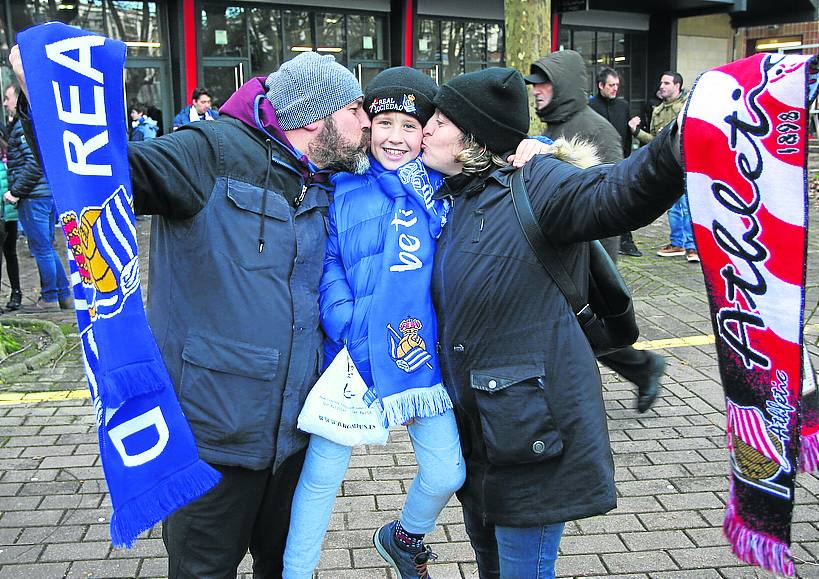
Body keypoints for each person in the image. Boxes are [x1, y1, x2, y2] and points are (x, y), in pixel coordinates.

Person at [11, 47, 370, 578]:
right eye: (355, 110)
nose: (366, 122)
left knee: (284, 568)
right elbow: (98, 171)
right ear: (315, 117)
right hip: (213, 438)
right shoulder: (210, 152)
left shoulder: (325, 175)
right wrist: (44, 97)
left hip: (295, 436)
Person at [420, 67, 684, 578]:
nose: (427, 129)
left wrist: (688, 133)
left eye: (441, 119)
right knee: (490, 565)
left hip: (531, 434)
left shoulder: (538, 182)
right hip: (480, 435)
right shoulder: (457, 194)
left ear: (476, 134)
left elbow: (621, 191)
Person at [283, 67, 465, 579]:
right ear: (367, 124)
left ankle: (403, 535)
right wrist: (348, 323)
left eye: (411, 126)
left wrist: (537, 149)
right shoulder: (340, 182)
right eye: (385, 122)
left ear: (427, 132)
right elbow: (326, 261)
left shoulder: (446, 189)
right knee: (321, 480)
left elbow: (502, 154)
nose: (396, 137)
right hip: (351, 353)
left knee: (448, 471)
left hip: (416, 357)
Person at [524, 51, 665, 414]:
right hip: (557, 249)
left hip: (585, 253)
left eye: (544, 84)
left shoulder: (595, 129)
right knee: (582, 330)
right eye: (535, 84)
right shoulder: (552, 128)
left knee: (580, 329)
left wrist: (599, 264)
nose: (537, 91)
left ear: (564, 86)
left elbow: (614, 199)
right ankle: (643, 368)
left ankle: (638, 371)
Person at [2, 84, 71, 311]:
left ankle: (50, 298)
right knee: (47, 247)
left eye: (8, 98)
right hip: (45, 194)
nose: (5, 103)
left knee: (42, 249)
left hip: (34, 197)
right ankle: (64, 296)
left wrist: (15, 191)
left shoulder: (23, 127)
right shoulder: (39, 122)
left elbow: (33, 165)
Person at [628, 71, 698, 262]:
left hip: (686, 164)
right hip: (667, 166)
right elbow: (653, 141)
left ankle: (693, 247)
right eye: (661, 82)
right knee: (673, 207)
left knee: (688, 205)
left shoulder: (688, 107)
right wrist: (637, 132)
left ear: (677, 86)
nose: (662, 86)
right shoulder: (657, 111)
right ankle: (677, 244)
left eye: (666, 83)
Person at [588, 66, 642, 258]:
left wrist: (627, 158)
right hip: (596, 162)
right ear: (600, 85)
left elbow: (626, 136)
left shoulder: (623, 106)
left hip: (620, 162)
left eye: (617, 85)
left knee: (623, 202)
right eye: (611, 85)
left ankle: (626, 241)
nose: (614, 89)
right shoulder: (589, 108)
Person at [0, 133, 21, 311]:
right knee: (10, 254)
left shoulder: (7, 157)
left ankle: (16, 292)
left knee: (10, 254)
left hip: (8, 213)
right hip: (9, 212)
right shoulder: (9, 155)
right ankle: (16, 293)